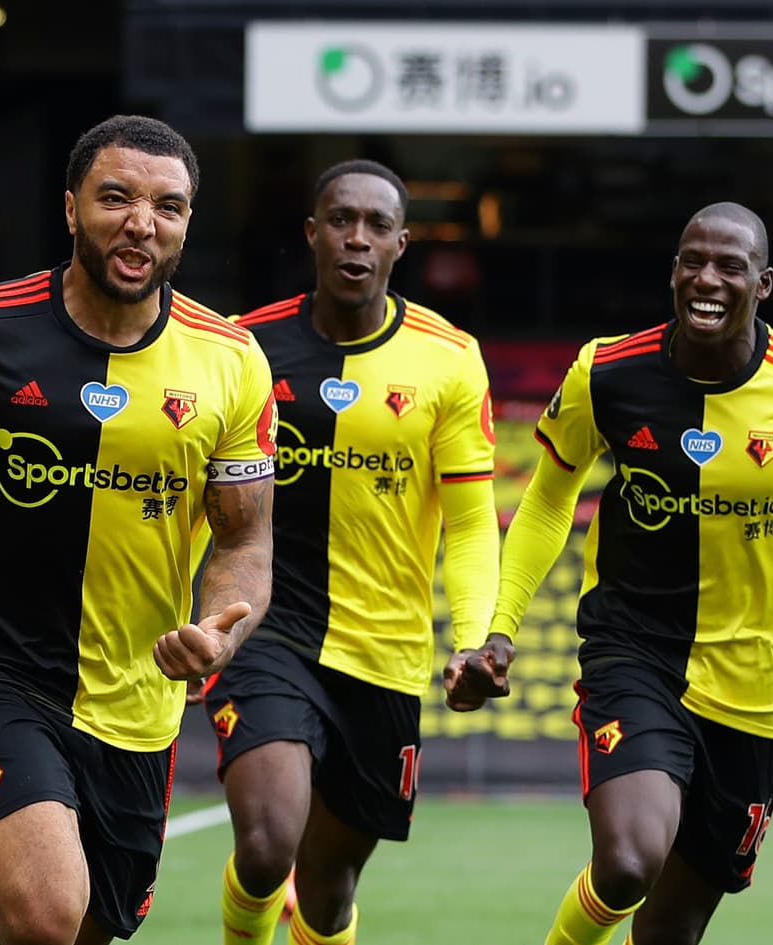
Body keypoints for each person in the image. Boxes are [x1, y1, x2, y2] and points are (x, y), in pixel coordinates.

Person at [0, 114, 277, 945]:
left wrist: (224, 626)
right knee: (47, 911)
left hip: (137, 696)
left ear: (188, 222)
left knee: (82, 927)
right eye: (115, 197)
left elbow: (243, 541)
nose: (141, 222)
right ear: (71, 207)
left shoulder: (232, 362)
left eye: (169, 206)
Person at [464, 201, 773, 945]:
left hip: (758, 690)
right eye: (692, 261)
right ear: (673, 271)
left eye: (729, 266)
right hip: (634, 651)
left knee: (672, 926)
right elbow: (548, 498)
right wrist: (501, 628)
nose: (707, 279)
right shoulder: (606, 372)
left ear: (763, 284)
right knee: (628, 861)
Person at [199, 159, 503, 945]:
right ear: (312, 233)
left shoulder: (450, 359)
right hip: (266, 627)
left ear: (403, 243)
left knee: (329, 890)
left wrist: (473, 638)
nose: (356, 239)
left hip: (385, 653)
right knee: (268, 844)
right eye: (340, 220)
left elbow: (472, 523)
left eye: (375, 226)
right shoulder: (244, 348)